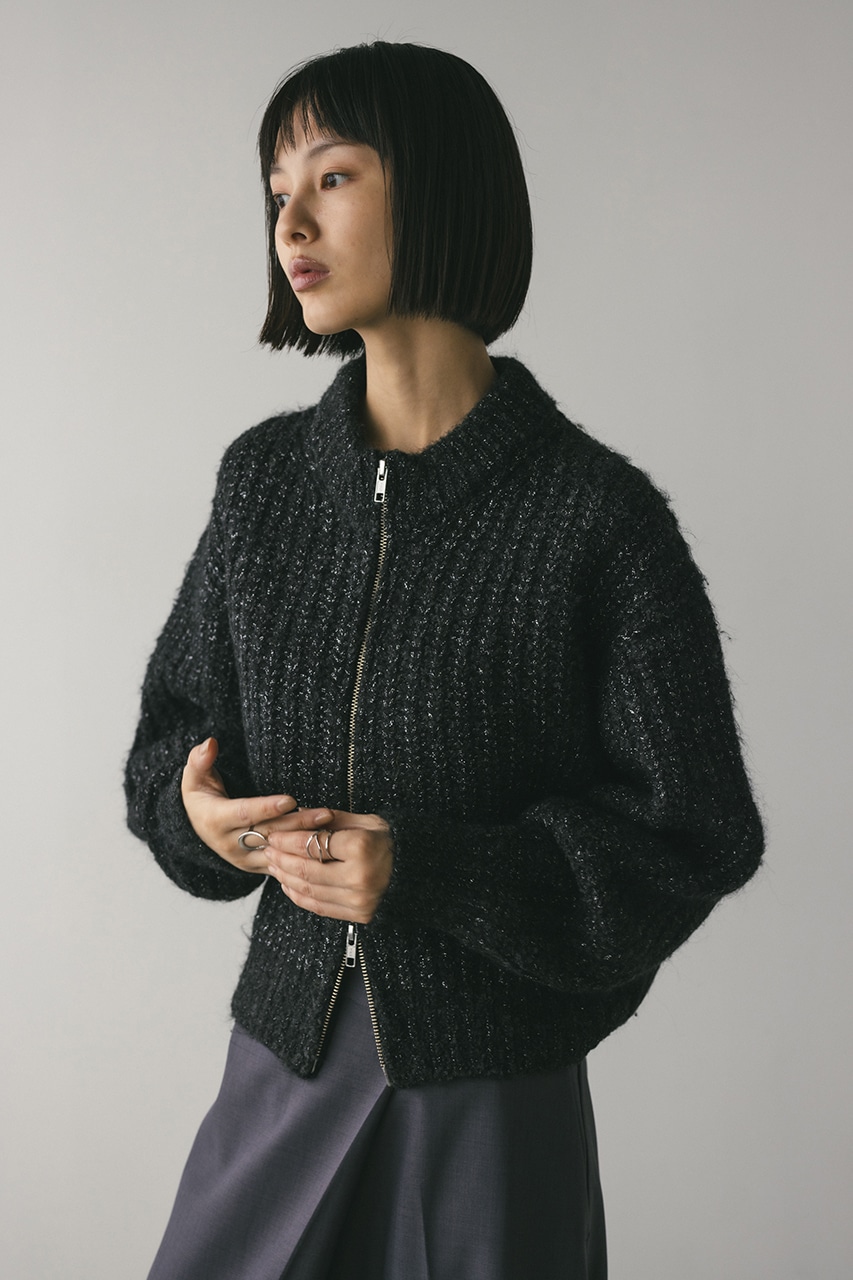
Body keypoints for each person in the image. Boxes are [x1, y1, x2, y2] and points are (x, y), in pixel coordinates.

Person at [125, 40, 764, 1280]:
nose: (290, 223)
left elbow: (693, 832)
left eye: (332, 177)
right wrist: (198, 817)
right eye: (276, 193)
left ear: (439, 189)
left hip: (492, 1097)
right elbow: (174, 736)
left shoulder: (594, 518)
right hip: (282, 1063)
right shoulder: (263, 487)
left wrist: (431, 871)